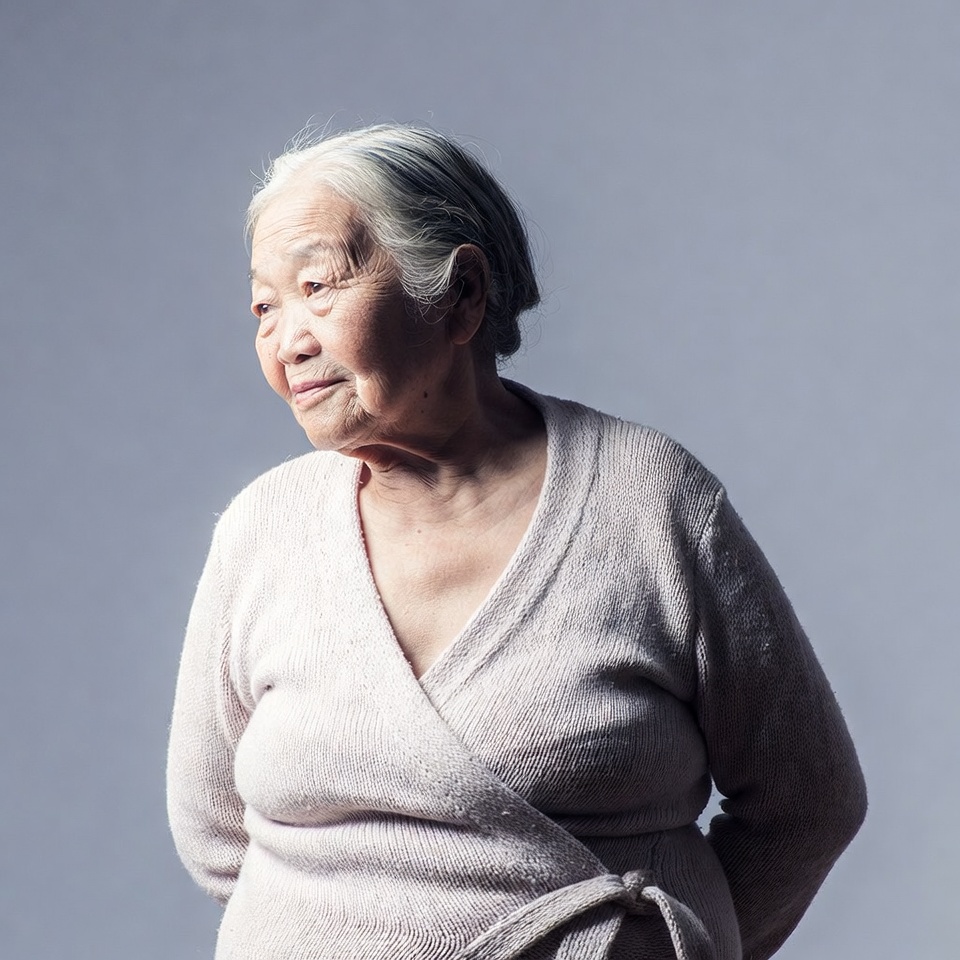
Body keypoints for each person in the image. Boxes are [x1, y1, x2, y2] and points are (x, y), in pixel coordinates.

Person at [166, 124, 867, 960]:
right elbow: (214, 832)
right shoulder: (263, 528)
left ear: (461, 295)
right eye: (264, 307)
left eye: (318, 286)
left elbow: (808, 800)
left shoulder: (650, 502)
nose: (288, 343)